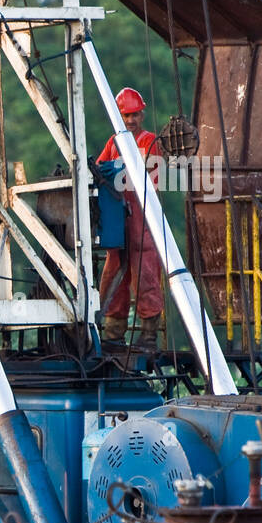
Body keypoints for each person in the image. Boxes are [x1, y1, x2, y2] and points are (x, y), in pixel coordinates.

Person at [97, 87, 165, 350]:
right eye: (126, 116)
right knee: (113, 272)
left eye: (135, 115)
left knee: (145, 272)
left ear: (142, 114)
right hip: (118, 215)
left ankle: (149, 335)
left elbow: (152, 181)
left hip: (142, 215)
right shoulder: (114, 143)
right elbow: (101, 169)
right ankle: (113, 333)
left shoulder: (150, 141)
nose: (131, 121)